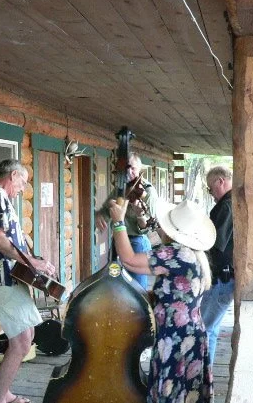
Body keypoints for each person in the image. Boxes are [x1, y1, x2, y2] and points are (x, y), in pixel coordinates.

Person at [108, 198, 216, 403]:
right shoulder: (194, 254)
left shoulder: (176, 254)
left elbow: (129, 259)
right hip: (191, 333)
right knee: (187, 392)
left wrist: (118, 222)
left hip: (174, 335)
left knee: (169, 390)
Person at [0, 159, 56, 403]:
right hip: (0, 280)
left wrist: (33, 261)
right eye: (22, 182)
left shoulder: (2, 198)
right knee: (22, 341)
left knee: (26, 336)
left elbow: (10, 242)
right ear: (13, 176)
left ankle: (4, 395)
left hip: (11, 280)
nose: (23, 189)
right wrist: (33, 264)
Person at [95, 152, 158, 289]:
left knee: (136, 289)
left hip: (137, 243)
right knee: (115, 283)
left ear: (140, 169)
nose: (129, 172)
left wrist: (140, 215)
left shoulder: (148, 192)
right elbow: (106, 210)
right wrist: (100, 215)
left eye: (133, 168)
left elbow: (147, 227)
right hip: (117, 241)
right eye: (126, 168)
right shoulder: (121, 189)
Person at [200, 166, 234, 367]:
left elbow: (215, 243)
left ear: (220, 181)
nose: (211, 193)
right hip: (225, 277)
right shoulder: (229, 203)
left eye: (210, 188)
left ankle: (204, 376)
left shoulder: (227, 206)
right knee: (210, 328)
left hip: (222, 278)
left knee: (205, 328)